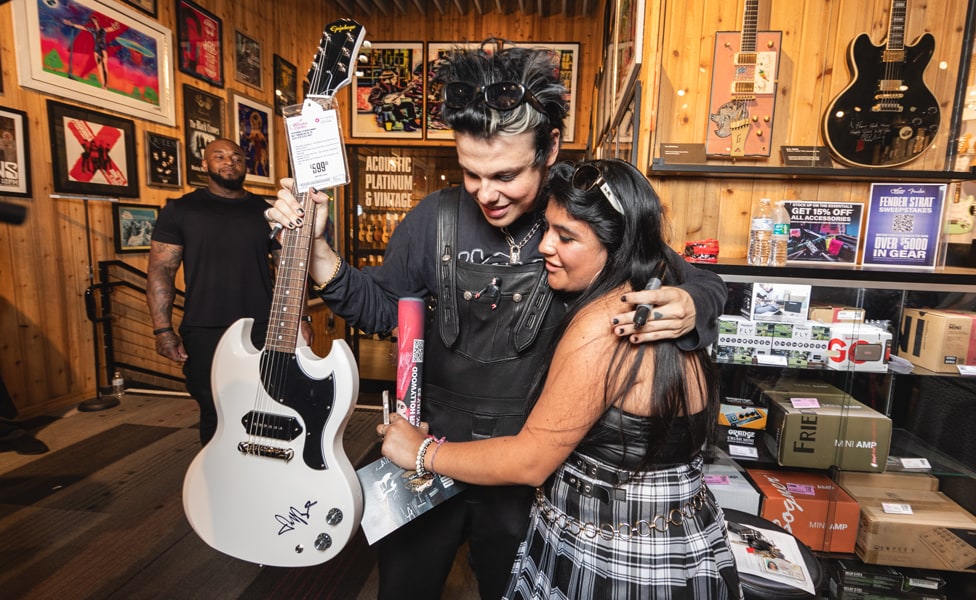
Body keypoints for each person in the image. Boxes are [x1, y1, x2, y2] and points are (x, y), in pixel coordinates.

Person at [268, 43, 728, 600]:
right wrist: (317, 255)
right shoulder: (433, 217)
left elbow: (682, 274)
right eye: (471, 173)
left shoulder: (580, 216)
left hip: (528, 465)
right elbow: (386, 309)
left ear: (550, 148)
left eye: (506, 175)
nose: (487, 193)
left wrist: (694, 302)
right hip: (427, 443)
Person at [380, 159, 742, 598]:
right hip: (681, 544)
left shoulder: (606, 323)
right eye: (548, 229)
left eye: (566, 237)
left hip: (617, 562)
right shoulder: (659, 297)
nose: (545, 246)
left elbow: (530, 461)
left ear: (618, 245)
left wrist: (421, 453)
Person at [147, 138, 302, 446]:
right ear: (204, 164)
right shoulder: (180, 210)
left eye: (237, 157)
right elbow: (161, 270)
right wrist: (162, 330)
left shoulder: (266, 211)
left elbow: (289, 267)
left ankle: (266, 476)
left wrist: (301, 318)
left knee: (270, 405)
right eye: (219, 156)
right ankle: (219, 481)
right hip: (206, 328)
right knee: (214, 409)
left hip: (264, 327)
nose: (229, 162)